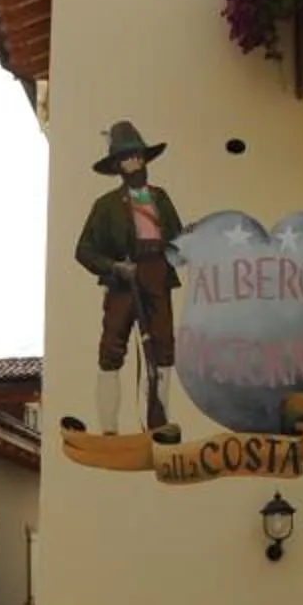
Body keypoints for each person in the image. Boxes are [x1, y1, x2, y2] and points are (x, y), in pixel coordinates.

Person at [64, 121, 185, 440]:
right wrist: (115, 267)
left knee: (163, 349)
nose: (134, 163)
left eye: (137, 156)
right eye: (126, 159)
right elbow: (84, 250)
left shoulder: (160, 198)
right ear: (118, 166)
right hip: (123, 281)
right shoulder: (105, 206)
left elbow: (177, 240)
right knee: (111, 350)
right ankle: (109, 428)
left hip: (157, 275)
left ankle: (158, 423)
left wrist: (186, 246)